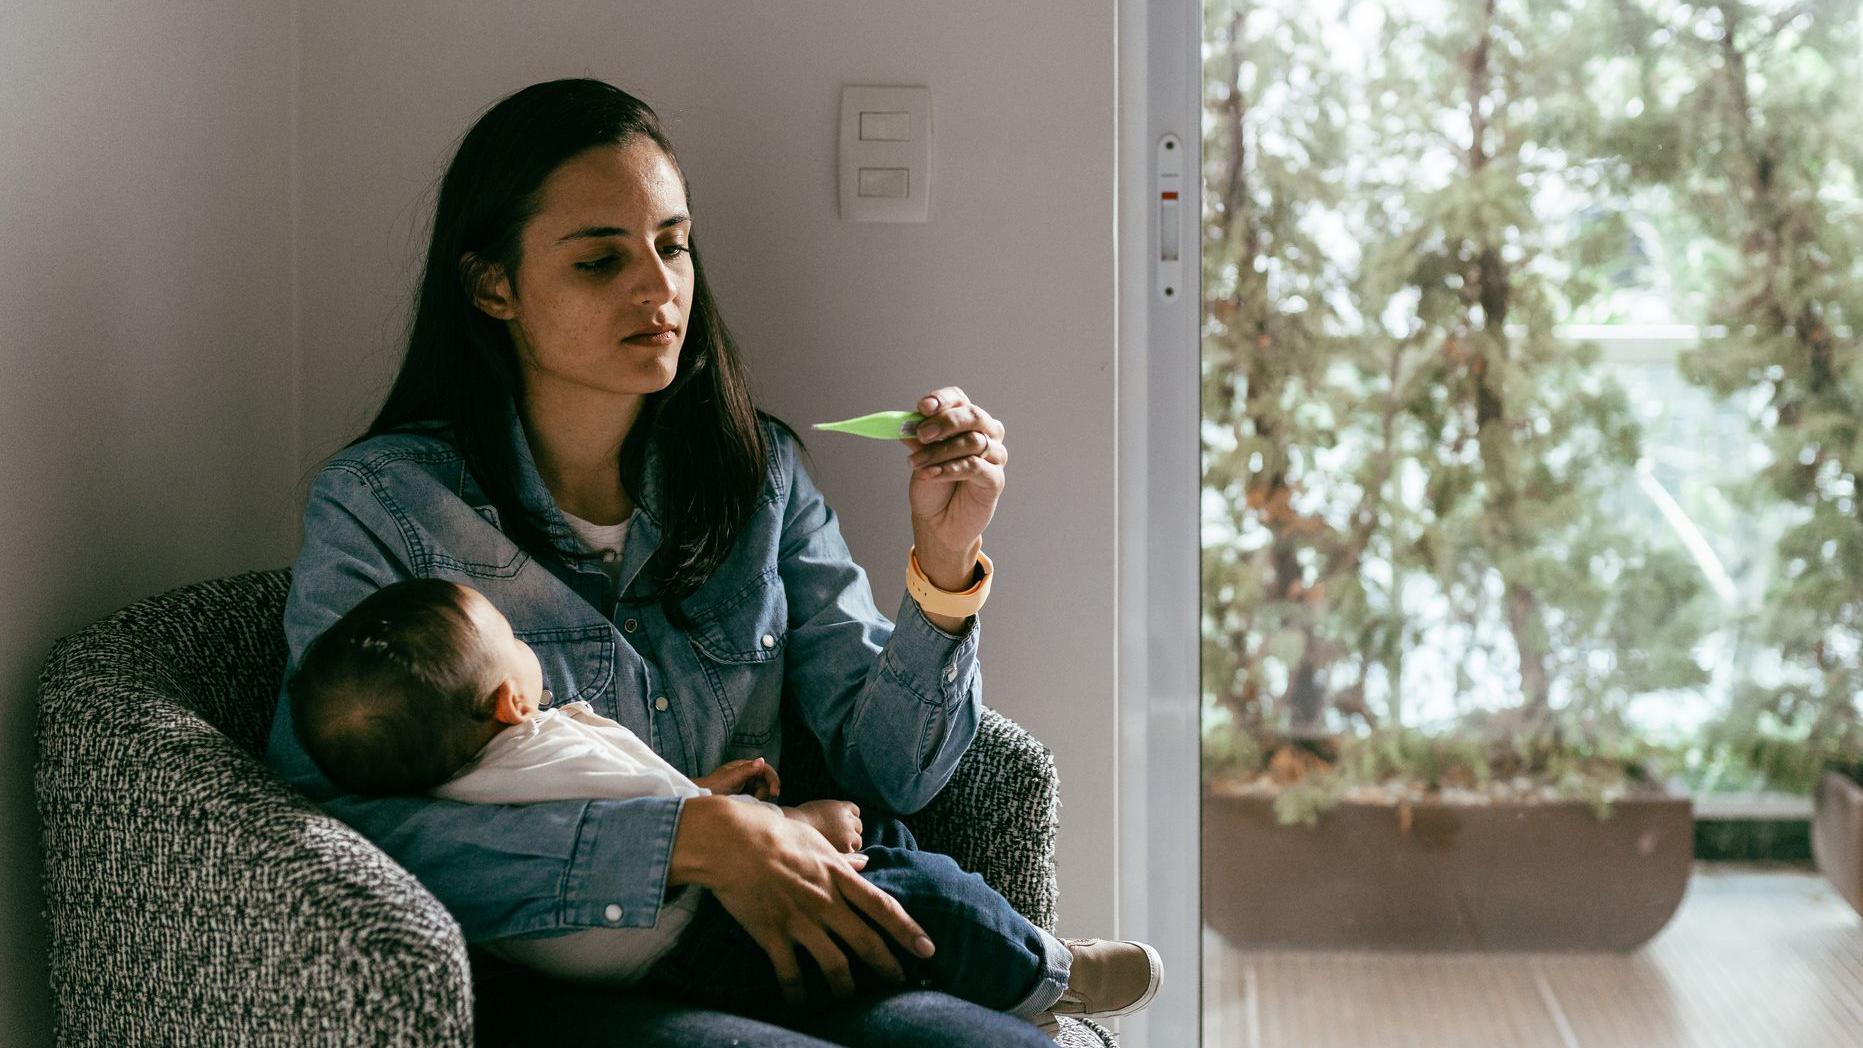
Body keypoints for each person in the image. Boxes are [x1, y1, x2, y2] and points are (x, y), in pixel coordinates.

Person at [259, 76, 1137, 1046]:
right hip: (559, 983)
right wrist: (682, 840)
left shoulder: (758, 479)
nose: (659, 286)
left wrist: (944, 555)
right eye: (601, 260)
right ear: (492, 285)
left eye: (671, 244)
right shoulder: (386, 504)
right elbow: (330, 827)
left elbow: (895, 775)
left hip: (798, 943)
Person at [284, 577, 1163, 1030]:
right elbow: (673, 829)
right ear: (506, 704)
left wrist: (699, 799)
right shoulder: (538, 741)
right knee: (915, 903)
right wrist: (779, 825)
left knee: (889, 855)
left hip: (663, 939)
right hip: (709, 936)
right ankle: (1046, 972)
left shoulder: (451, 778)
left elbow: (634, 813)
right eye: (512, 638)